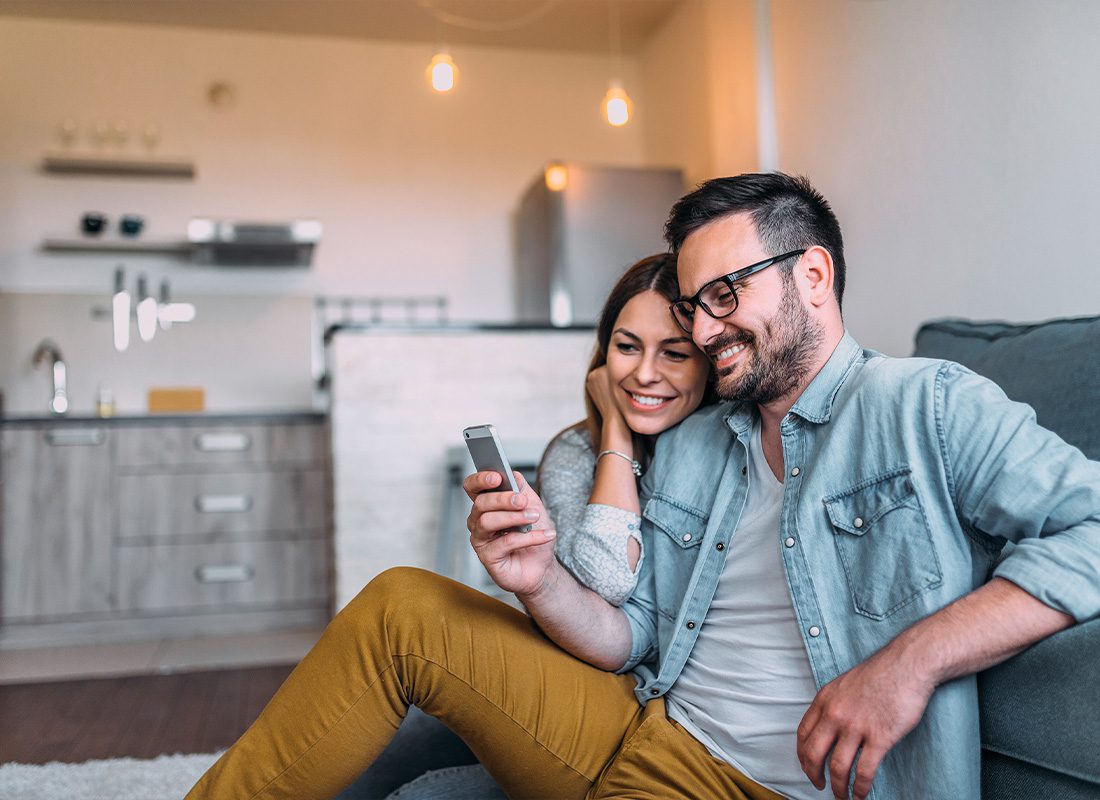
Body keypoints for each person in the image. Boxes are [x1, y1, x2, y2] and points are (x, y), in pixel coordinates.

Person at [188, 173, 1100, 800]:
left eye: (724, 295)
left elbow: (1090, 524)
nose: (704, 330)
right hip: (646, 729)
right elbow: (635, 635)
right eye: (695, 302)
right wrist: (540, 576)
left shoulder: (925, 405)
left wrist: (911, 663)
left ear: (812, 276)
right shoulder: (703, 445)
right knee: (401, 607)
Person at [186, 253, 712, 800]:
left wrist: (618, 442)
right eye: (627, 348)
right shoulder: (575, 453)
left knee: (422, 789)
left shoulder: (719, 455)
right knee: (368, 746)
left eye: (673, 353)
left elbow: (606, 584)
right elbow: (593, 601)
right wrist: (609, 439)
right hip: (566, 665)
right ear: (603, 356)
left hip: (626, 706)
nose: (644, 373)